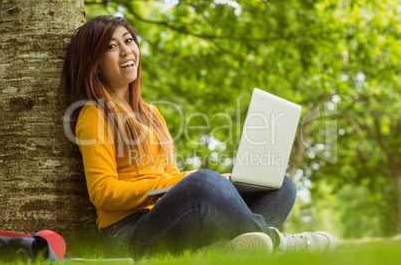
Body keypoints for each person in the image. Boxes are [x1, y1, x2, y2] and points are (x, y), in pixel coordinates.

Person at [61, 15, 336, 259]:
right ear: (94, 64)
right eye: (111, 46)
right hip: (129, 234)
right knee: (203, 181)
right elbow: (103, 194)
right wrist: (186, 181)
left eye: (128, 40)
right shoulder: (93, 114)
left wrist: (221, 184)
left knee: (279, 186)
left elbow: (169, 173)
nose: (125, 51)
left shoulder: (152, 114)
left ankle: (229, 245)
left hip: (167, 218)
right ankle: (279, 243)